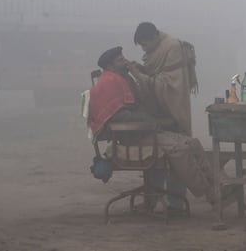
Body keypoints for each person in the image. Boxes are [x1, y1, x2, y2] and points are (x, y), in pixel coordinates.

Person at [89, 47, 230, 210]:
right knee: (181, 151)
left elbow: (141, 98)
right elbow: (119, 117)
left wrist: (134, 73)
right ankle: (209, 192)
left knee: (192, 143)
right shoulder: (109, 82)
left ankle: (216, 184)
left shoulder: (121, 78)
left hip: (145, 131)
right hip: (133, 137)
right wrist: (150, 121)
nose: (125, 61)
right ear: (110, 65)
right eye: (121, 60)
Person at [127, 22, 198, 210]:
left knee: (178, 159)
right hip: (158, 112)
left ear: (154, 37)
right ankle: (152, 197)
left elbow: (167, 85)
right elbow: (155, 74)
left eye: (144, 45)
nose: (144, 49)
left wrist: (138, 75)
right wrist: (142, 70)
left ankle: (176, 203)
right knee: (155, 155)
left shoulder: (172, 47)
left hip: (173, 110)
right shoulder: (158, 50)